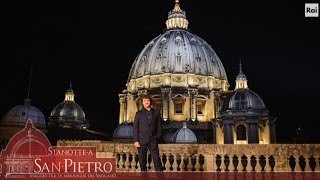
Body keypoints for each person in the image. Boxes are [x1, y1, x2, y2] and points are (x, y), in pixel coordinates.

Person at [133, 95, 163, 172]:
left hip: (153, 140)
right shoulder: (138, 113)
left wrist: (157, 137)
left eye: (148, 100)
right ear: (142, 103)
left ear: (150, 102)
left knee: (157, 160)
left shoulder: (156, 112)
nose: (146, 102)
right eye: (145, 101)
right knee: (142, 161)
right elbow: (135, 127)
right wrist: (136, 140)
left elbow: (159, 126)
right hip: (141, 140)